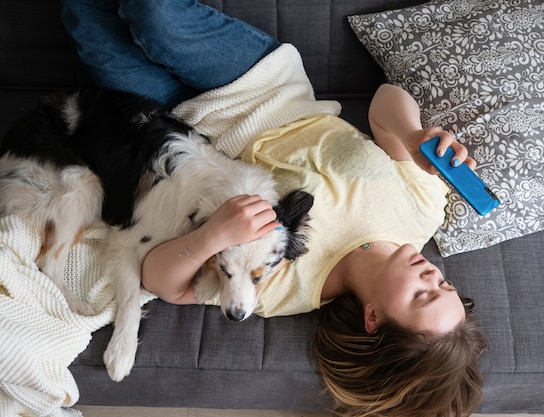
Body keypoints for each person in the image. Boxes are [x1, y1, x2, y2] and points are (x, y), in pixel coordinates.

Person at [59, 1, 487, 416]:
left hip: (174, 125)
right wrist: (413, 137)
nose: (433, 275)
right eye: (444, 287)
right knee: (151, 12)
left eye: (422, 294)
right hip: (261, 85)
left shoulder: (289, 289)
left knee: (82, 13)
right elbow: (385, 100)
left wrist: (212, 237)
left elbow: (164, 283)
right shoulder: (423, 213)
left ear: (373, 318)